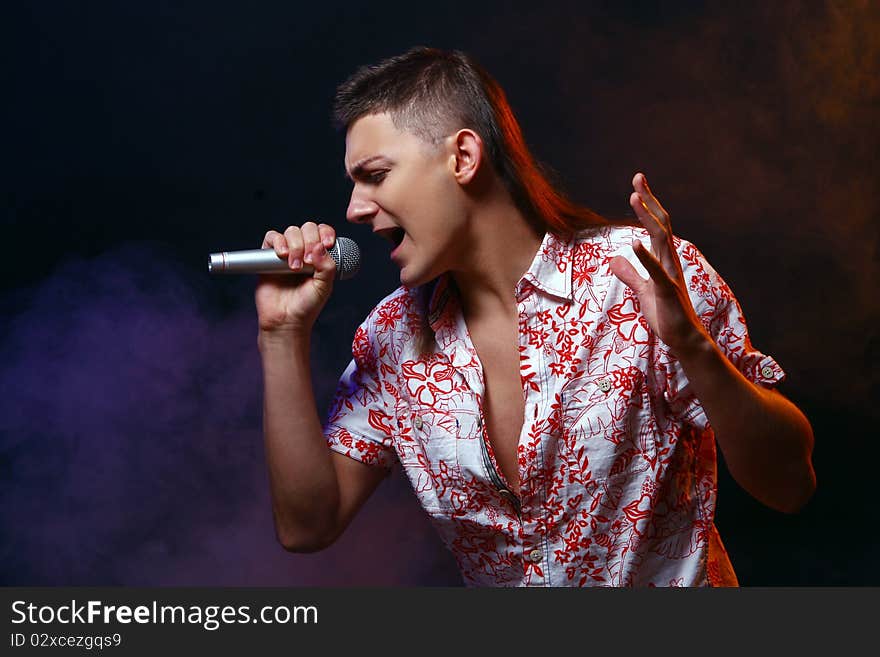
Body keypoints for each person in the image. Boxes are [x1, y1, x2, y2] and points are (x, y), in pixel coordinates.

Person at [254, 47, 816, 586]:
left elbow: (790, 485)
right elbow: (307, 526)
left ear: (463, 158)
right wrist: (281, 334)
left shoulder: (641, 276)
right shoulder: (392, 337)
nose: (354, 208)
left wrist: (693, 348)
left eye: (374, 174)